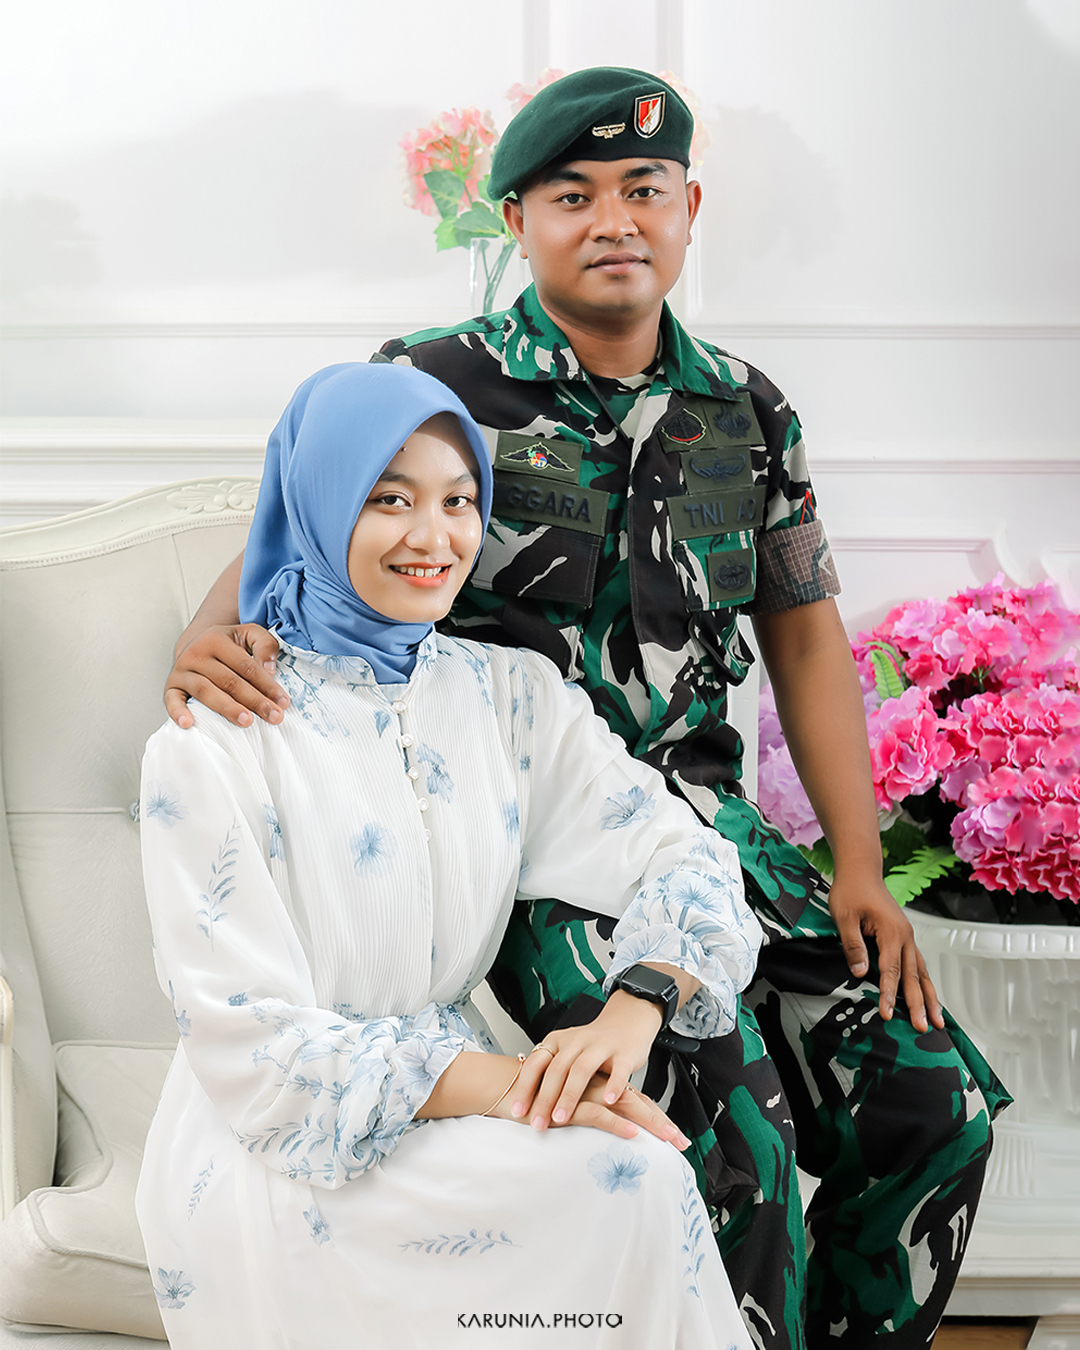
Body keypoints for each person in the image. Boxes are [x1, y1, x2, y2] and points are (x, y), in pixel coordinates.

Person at [160, 69, 1009, 1349]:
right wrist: (199, 641)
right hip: (530, 853)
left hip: (715, 838)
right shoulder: (439, 384)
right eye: (573, 195)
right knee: (730, 1127)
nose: (614, 218)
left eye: (643, 190)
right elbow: (308, 527)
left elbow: (804, 635)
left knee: (933, 1102)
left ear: (688, 208)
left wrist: (855, 864)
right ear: (518, 221)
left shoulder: (749, 409)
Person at [138, 360, 760, 1349]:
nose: (434, 539)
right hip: (286, 1145)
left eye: (459, 501)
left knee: (637, 1175)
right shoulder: (212, 738)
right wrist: (520, 1088)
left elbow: (682, 854)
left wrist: (636, 1007)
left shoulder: (505, 698)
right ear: (318, 501)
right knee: (627, 1176)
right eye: (388, 500)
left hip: (462, 1102)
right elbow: (253, 1048)